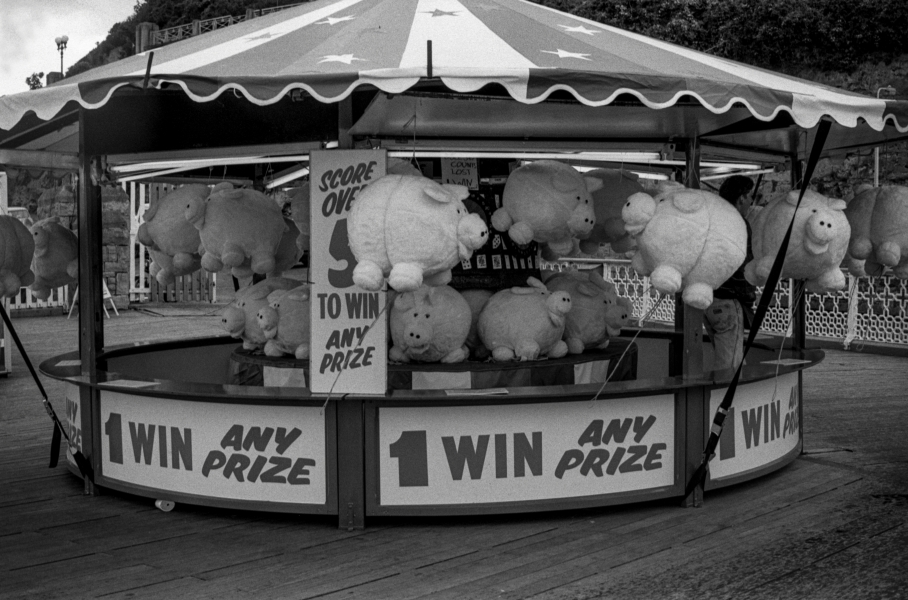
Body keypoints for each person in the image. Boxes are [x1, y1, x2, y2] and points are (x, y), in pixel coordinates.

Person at [704, 175, 757, 371]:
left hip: (709, 299)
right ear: (742, 197)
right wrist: (749, 293)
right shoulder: (738, 223)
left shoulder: (712, 219)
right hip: (729, 299)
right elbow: (741, 264)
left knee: (728, 355)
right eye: (751, 196)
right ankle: (725, 400)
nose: (752, 201)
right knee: (729, 366)